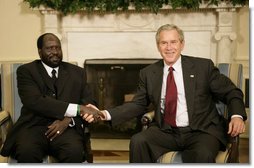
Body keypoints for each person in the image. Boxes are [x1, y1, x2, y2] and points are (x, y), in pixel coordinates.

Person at [83, 24, 247, 163]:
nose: (169, 47)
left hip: (201, 131)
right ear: (158, 46)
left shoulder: (202, 67)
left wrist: (236, 116)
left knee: (201, 154)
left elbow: (231, 92)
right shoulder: (148, 73)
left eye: (173, 42)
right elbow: (138, 104)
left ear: (182, 44)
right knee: (138, 141)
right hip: (167, 131)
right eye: (164, 43)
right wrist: (104, 114)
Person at [0, 33, 98, 163]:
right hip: (33, 126)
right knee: (26, 152)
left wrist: (68, 119)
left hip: (66, 128)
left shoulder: (77, 72)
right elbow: (34, 101)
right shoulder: (26, 71)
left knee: (74, 152)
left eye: (58, 48)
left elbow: (88, 102)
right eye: (49, 48)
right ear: (40, 52)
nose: (55, 52)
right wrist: (78, 109)